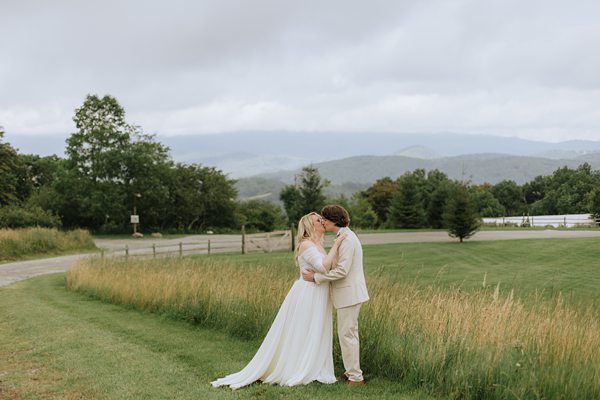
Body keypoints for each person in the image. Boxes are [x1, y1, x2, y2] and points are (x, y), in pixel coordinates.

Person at [211, 212, 347, 389]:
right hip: (308, 293)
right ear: (309, 226)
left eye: (322, 219)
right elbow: (323, 266)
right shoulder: (306, 245)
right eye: (318, 220)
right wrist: (337, 244)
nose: (322, 222)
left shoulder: (317, 244)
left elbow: (324, 269)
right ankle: (298, 366)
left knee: (316, 328)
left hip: (318, 291)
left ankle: (315, 365)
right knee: (304, 328)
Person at [302, 204, 369, 385]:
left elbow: (342, 272)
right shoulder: (343, 236)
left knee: (348, 335)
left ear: (333, 221)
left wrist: (316, 277)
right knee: (347, 334)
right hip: (348, 294)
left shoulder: (346, 239)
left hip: (350, 294)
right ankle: (351, 372)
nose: (322, 222)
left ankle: (356, 377)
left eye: (324, 219)